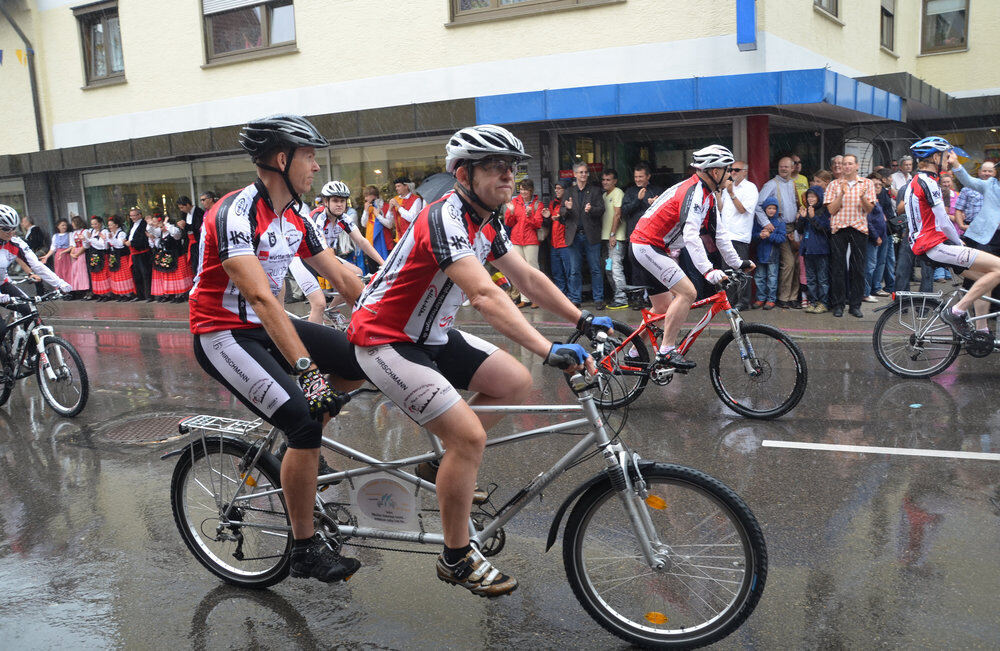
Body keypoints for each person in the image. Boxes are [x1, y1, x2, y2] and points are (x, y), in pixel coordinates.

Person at [348, 124, 606, 597]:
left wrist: (582, 318)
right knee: (469, 436)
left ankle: (441, 466)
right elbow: (486, 295)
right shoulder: (444, 217)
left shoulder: (488, 220)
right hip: (384, 338)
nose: (508, 175)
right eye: (494, 167)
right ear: (463, 175)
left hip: (432, 335)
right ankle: (455, 556)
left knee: (514, 381)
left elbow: (526, 278)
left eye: (511, 167)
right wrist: (549, 349)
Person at [190, 114, 369, 584]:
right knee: (304, 421)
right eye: (309, 157)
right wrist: (307, 374)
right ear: (282, 159)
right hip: (224, 333)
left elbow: (341, 276)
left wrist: (389, 322)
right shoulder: (234, 213)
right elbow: (260, 297)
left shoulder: (296, 215)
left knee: (361, 359)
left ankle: (298, 446)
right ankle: (304, 549)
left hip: (269, 326)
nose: (316, 167)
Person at [630, 145, 754, 369]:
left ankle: (633, 352)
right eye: (728, 170)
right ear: (715, 172)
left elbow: (719, 234)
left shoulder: (708, 194)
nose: (730, 175)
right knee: (688, 292)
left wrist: (737, 263)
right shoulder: (695, 192)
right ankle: (666, 351)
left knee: (663, 308)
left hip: (654, 248)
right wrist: (708, 271)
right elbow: (691, 236)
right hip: (646, 246)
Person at [905, 138, 1000, 339]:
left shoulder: (918, 180)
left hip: (930, 245)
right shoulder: (928, 182)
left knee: (986, 278)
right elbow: (945, 221)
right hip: (935, 245)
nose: (948, 160)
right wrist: (958, 242)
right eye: (946, 156)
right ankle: (956, 311)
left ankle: (981, 332)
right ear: (935, 157)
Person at [948, 150, 1000, 331]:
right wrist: (955, 164)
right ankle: (964, 314)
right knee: (986, 278)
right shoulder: (991, 184)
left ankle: (983, 326)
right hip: (984, 238)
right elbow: (969, 181)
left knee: (992, 280)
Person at [824, 154, 876, 318]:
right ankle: (838, 305)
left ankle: (855, 305)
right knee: (838, 268)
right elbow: (831, 210)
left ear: (856, 166)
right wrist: (841, 194)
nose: (846, 166)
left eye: (850, 164)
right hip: (839, 229)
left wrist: (862, 197)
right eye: (844, 164)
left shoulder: (867, 183)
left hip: (859, 229)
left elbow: (869, 209)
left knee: (858, 269)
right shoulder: (834, 184)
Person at [0, 206, 72, 306]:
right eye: (6, 229)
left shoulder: (16, 243)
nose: (11, 232)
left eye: (14, 228)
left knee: (28, 308)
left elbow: (36, 265)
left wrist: (60, 283)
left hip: (2, 283)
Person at [755, 156, 800, 309]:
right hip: (779, 229)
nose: (783, 169)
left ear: (792, 168)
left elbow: (795, 205)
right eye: (781, 166)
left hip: (793, 228)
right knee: (788, 263)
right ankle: (783, 298)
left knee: (796, 264)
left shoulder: (793, 184)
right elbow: (758, 206)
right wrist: (766, 223)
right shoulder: (771, 185)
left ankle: (793, 297)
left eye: (786, 166)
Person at [561, 161, 606, 309]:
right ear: (575, 174)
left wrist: (591, 209)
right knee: (574, 270)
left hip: (591, 235)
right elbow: (561, 213)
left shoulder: (595, 191)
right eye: (581, 172)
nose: (584, 174)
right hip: (574, 236)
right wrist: (567, 209)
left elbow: (601, 210)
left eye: (585, 172)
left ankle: (598, 299)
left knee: (595, 269)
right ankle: (575, 299)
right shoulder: (569, 191)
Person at [312, 181, 386, 270]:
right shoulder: (319, 217)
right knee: (344, 275)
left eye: (342, 201)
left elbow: (362, 241)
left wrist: (384, 264)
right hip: (309, 258)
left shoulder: (343, 218)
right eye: (335, 201)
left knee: (358, 272)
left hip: (326, 257)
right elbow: (323, 249)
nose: (339, 205)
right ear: (326, 202)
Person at [717, 160, 759, 310]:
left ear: (744, 172)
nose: (732, 172)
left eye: (736, 170)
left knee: (740, 269)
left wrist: (731, 193)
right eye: (730, 170)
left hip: (739, 235)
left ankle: (744, 301)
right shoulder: (727, 186)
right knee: (727, 270)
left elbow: (742, 210)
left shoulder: (750, 188)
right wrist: (719, 193)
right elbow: (720, 208)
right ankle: (730, 300)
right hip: (725, 234)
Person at [503, 178, 544, 308]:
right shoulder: (515, 202)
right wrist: (511, 212)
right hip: (516, 239)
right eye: (521, 190)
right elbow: (508, 223)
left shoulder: (537, 204)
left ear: (531, 190)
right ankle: (525, 298)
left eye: (526, 190)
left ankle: (537, 298)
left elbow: (538, 224)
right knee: (520, 270)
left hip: (531, 240)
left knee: (533, 270)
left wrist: (529, 215)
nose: (523, 192)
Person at [797, 186, 831, 313]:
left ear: (819, 197)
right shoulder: (806, 210)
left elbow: (824, 228)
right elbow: (800, 230)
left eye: (813, 196)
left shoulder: (824, 211)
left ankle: (823, 303)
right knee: (810, 278)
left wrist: (812, 217)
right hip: (808, 250)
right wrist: (802, 218)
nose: (810, 199)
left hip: (821, 250)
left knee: (822, 279)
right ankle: (812, 302)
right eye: (808, 197)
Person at [600, 170, 628, 309]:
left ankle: (622, 298)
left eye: (608, 180)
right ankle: (617, 296)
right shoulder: (604, 195)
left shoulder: (618, 193)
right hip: (605, 238)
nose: (605, 182)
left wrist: (612, 234)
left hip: (615, 238)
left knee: (616, 268)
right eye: (604, 179)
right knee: (609, 269)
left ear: (615, 181)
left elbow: (617, 214)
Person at [752, 198, 785, 310]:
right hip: (760, 255)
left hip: (773, 256)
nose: (771, 210)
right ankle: (760, 298)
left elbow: (782, 238)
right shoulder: (759, 222)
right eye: (769, 208)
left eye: (774, 208)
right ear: (764, 209)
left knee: (772, 278)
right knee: (759, 277)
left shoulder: (779, 222)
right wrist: (759, 235)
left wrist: (770, 236)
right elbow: (753, 235)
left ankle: (771, 300)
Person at [545, 179, 571, 298]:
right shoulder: (553, 204)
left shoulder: (570, 202)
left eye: (559, 188)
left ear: (566, 190)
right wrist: (547, 217)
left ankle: (572, 296)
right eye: (556, 188)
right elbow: (550, 223)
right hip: (554, 244)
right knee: (557, 272)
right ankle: (562, 296)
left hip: (566, 244)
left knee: (569, 272)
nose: (556, 190)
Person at [360, 184, 394, 264]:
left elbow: (390, 225)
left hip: (386, 244)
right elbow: (363, 224)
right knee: (373, 270)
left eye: (367, 196)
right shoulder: (369, 208)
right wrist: (365, 211)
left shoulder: (385, 206)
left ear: (373, 196)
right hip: (370, 245)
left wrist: (378, 215)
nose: (365, 199)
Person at [106, 215, 137, 301]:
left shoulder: (121, 233)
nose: (109, 227)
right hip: (114, 256)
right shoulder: (111, 234)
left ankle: (128, 294)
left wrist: (111, 239)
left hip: (121, 257)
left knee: (123, 275)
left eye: (111, 225)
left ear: (116, 225)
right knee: (116, 275)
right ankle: (121, 294)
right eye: (108, 225)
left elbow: (120, 245)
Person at [125, 207, 153, 301]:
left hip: (142, 253)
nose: (132, 217)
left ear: (140, 215)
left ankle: (148, 295)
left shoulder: (144, 224)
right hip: (134, 253)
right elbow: (130, 236)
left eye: (134, 215)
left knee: (145, 274)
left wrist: (132, 243)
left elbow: (143, 239)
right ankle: (139, 295)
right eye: (131, 216)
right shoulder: (132, 225)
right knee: (136, 275)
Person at [954, 161, 991, 229]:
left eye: (990, 171)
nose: (987, 173)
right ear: (979, 172)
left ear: (995, 173)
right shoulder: (967, 189)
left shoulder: (997, 189)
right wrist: (961, 225)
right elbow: (958, 209)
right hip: (971, 226)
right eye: (984, 171)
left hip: (992, 228)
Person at [41, 219, 73, 296]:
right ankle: (61, 291)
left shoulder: (69, 234)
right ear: (58, 226)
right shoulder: (55, 236)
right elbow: (53, 248)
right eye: (62, 225)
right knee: (59, 272)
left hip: (66, 255)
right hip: (58, 256)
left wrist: (63, 252)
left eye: (65, 225)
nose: (64, 227)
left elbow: (71, 246)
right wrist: (46, 256)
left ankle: (69, 290)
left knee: (68, 272)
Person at [84, 215, 112, 301]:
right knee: (96, 274)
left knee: (103, 274)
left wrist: (90, 239)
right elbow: (86, 244)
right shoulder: (91, 231)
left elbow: (103, 245)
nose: (94, 226)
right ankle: (100, 293)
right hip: (93, 255)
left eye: (95, 224)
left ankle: (107, 294)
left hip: (102, 255)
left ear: (100, 223)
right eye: (92, 224)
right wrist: (86, 239)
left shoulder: (104, 231)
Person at [176, 196, 204, 277]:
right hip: (189, 241)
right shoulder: (184, 214)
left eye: (182, 207)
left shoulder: (199, 212)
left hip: (198, 241)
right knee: (192, 264)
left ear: (188, 205)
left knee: (199, 263)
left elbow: (198, 228)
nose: (181, 210)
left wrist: (186, 226)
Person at [67, 216, 91, 299]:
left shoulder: (85, 231)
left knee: (83, 271)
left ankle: (87, 289)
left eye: (73, 223)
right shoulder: (73, 233)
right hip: (76, 252)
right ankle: (80, 290)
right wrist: (72, 253)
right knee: (76, 272)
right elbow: (73, 245)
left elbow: (86, 245)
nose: (72, 224)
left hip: (82, 253)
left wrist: (77, 254)